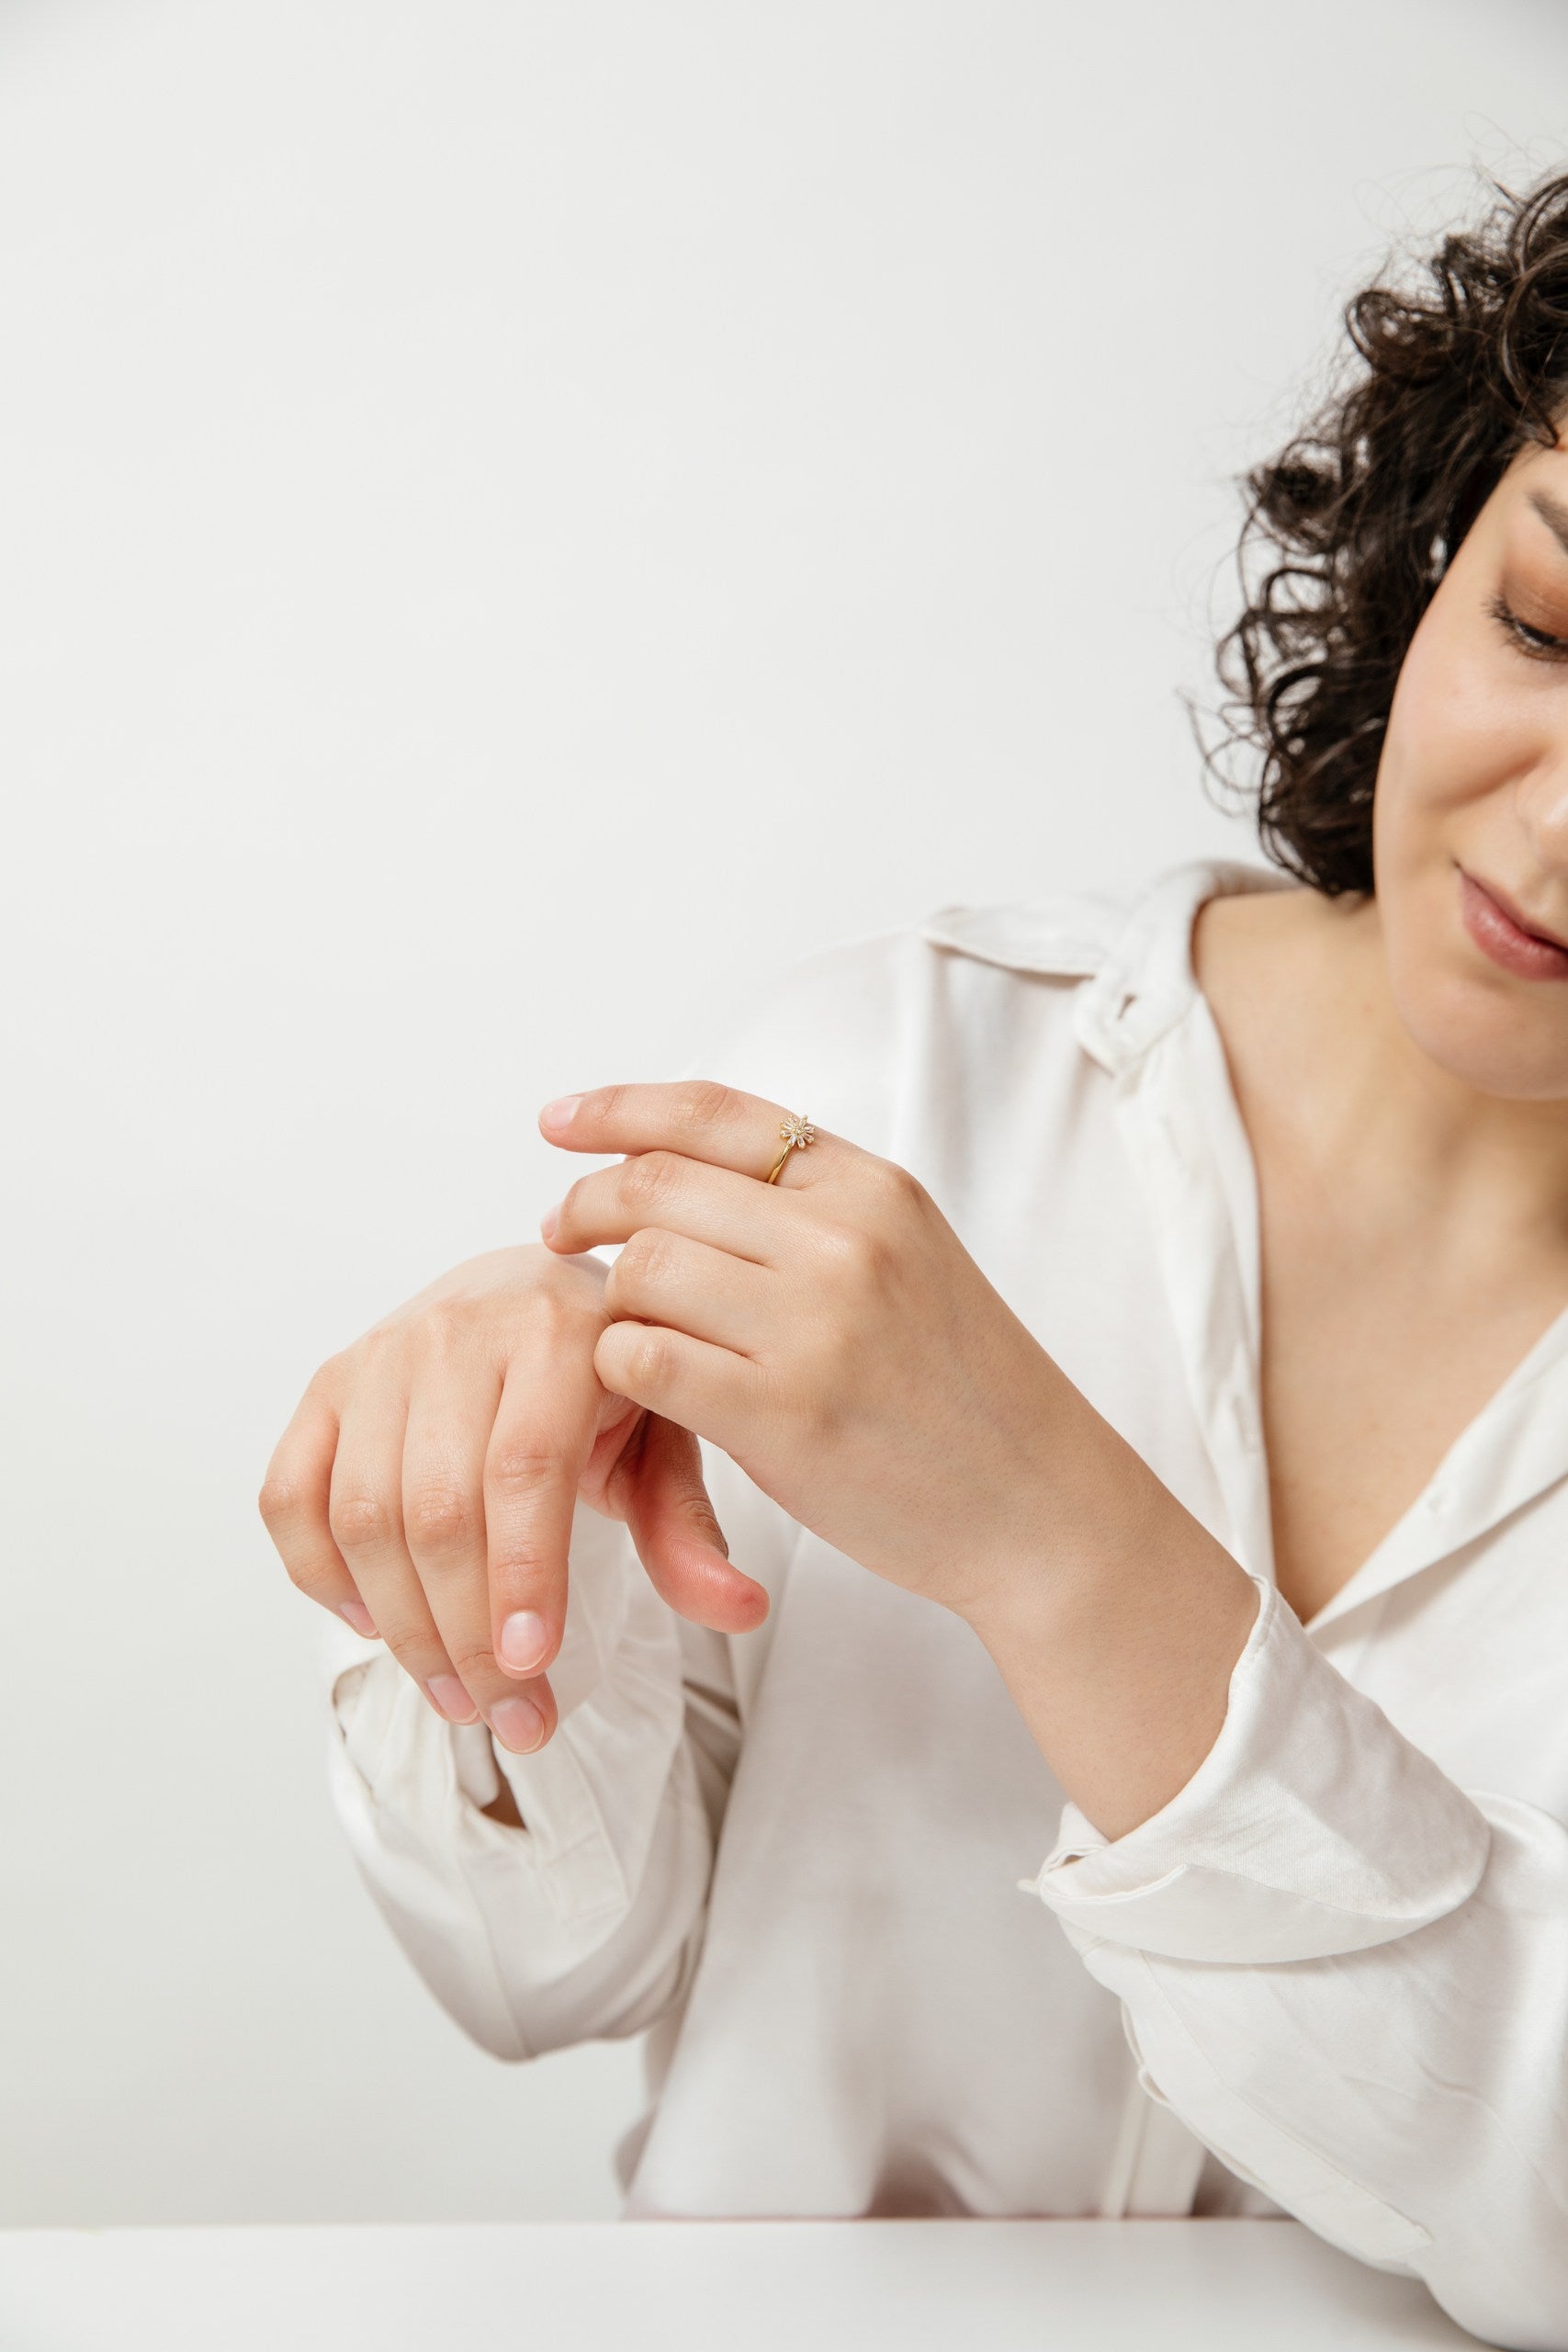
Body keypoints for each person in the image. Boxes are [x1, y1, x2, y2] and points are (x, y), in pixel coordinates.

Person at [259, 164, 1568, 2351]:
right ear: (1436, 553)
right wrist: (506, 1538)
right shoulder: (895, 1080)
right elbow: (541, 1970)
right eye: (1545, 625)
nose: (1549, 831)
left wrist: (1057, 1533)